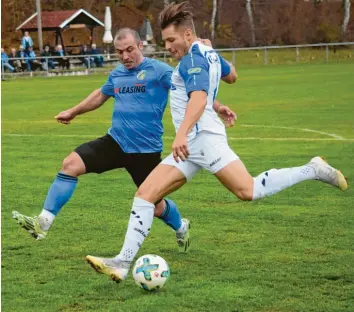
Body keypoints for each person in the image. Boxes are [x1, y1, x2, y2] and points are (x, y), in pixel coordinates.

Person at [85, 2, 348, 283]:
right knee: (145, 194)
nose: (169, 47)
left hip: (203, 140)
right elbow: (232, 76)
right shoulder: (205, 53)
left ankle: (313, 169)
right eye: (166, 42)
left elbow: (198, 98)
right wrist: (214, 80)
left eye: (172, 40)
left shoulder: (192, 60)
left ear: (187, 35)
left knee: (248, 190)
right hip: (191, 143)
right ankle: (122, 263)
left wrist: (182, 132)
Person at [12, 28, 235, 253]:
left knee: (156, 206)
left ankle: (180, 226)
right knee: (70, 164)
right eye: (120, 52)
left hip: (145, 152)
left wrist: (218, 107)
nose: (125, 56)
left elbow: (191, 88)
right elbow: (100, 94)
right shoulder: (117, 74)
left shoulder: (159, 71)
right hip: (115, 143)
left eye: (129, 50)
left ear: (140, 46)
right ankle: (43, 223)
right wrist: (73, 111)